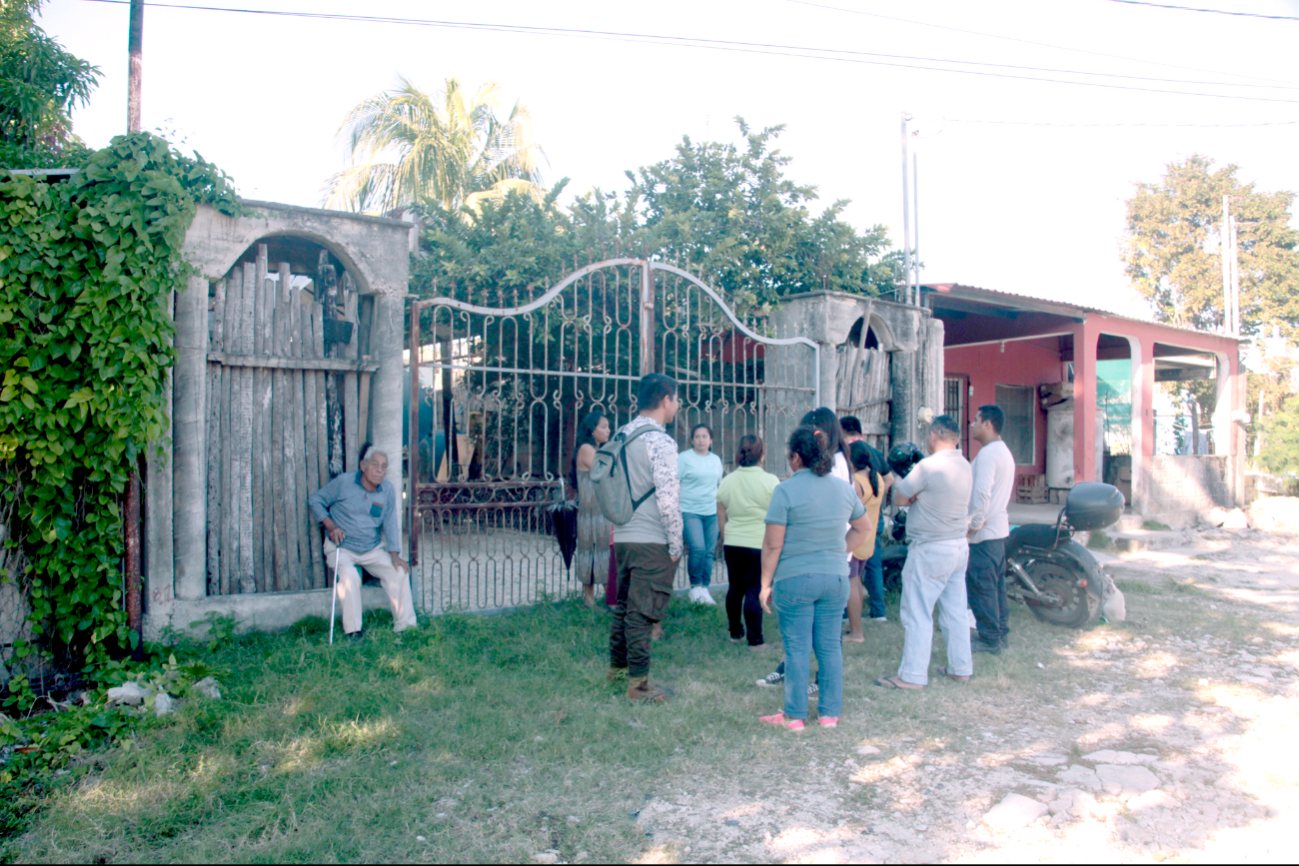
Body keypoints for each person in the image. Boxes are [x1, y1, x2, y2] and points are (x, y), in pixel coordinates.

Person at [758, 426, 873, 730]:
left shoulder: (785, 490)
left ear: (795, 457)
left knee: (797, 648)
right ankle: (829, 715)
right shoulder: (843, 488)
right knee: (830, 647)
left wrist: (765, 583)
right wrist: (839, 552)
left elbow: (772, 544)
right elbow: (864, 527)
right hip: (835, 579)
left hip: (795, 578)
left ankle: (795, 716)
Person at [756, 407, 853, 689]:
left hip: (826, 551)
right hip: (825, 553)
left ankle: (819, 681)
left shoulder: (835, 463)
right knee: (806, 627)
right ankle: (792, 669)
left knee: (824, 632)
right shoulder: (831, 461)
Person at [876, 415, 974, 690]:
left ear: (934, 436)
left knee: (917, 612)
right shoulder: (965, 465)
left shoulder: (928, 467)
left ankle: (912, 675)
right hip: (957, 546)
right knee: (955, 611)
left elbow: (899, 497)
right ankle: (961, 668)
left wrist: (913, 493)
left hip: (930, 548)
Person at [608, 373, 683, 702]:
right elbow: (668, 499)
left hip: (623, 535)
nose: (677, 405)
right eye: (676, 399)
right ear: (666, 400)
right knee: (641, 614)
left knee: (624, 608)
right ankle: (638, 686)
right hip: (652, 537)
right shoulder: (661, 442)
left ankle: (617, 670)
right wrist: (676, 544)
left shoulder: (622, 434)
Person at [308, 447, 417, 640]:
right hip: (342, 547)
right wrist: (331, 526)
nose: (379, 470)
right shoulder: (344, 483)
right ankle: (353, 632)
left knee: (399, 572)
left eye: (383, 467)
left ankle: (406, 627)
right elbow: (315, 500)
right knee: (350, 578)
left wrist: (394, 554)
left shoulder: (388, 490)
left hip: (371, 548)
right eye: (374, 465)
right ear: (363, 466)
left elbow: (390, 522)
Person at [717, 435, 779, 648]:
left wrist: (728, 538)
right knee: (754, 590)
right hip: (758, 543)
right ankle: (756, 640)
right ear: (762, 454)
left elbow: (721, 516)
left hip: (733, 542)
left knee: (735, 588)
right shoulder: (770, 481)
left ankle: (735, 633)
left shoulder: (727, 481)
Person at [966, 404, 1016, 654]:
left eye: (976, 420)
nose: (972, 424)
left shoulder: (988, 454)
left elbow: (982, 494)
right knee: (996, 587)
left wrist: (972, 526)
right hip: (997, 532)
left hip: (984, 534)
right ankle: (999, 634)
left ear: (987, 424)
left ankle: (989, 639)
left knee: (982, 586)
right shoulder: (1002, 451)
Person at [845, 440, 893, 642]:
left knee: (852, 585)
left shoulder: (855, 483)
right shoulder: (878, 480)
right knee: (857, 584)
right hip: (869, 540)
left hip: (854, 541)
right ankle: (854, 625)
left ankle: (857, 633)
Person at [679, 423, 725, 605]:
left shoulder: (715, 460)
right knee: (697, 547)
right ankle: (695, 586)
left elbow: (719, 485)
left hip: (711, 511)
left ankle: (704, 589)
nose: (701, 440)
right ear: (692, 440)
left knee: (709, 550)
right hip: (690, 510)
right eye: (697, 437)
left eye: (704, 436)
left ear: (711, 440)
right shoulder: (684, 458)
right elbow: (676, 482)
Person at [573, 410, 614, 608]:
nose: (608, 430)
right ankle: (610, 599)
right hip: (593, 512)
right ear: (592, 429)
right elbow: (605, 472)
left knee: (596, 551)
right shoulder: (587, 449)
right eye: (604, 426)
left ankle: (591, 599)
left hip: (599, 512)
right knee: (596, 551)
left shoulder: (599, 449)